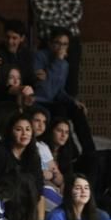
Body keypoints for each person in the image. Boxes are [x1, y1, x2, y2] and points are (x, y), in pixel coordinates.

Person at [33, 27, 95, 155]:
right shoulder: (39, 56)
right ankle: (70, 152)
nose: (61, 47)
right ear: (50, 43)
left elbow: (59, 90)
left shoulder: (64, 64)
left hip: (53, 101)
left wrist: (73, 101)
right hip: (40, 100)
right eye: (58, 43)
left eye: (65, 44)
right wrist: (58, 61)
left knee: (77, 110)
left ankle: (90, 151)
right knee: (60, 110)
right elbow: (45, 90)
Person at [33, 0, 83, 97]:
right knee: (47, 77)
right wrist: (63, 17)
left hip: (71, 44)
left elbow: (75, 17)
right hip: (47, 43)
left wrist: (54, 18)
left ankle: (69, 108)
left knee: (71, 77)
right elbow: (43, 16)